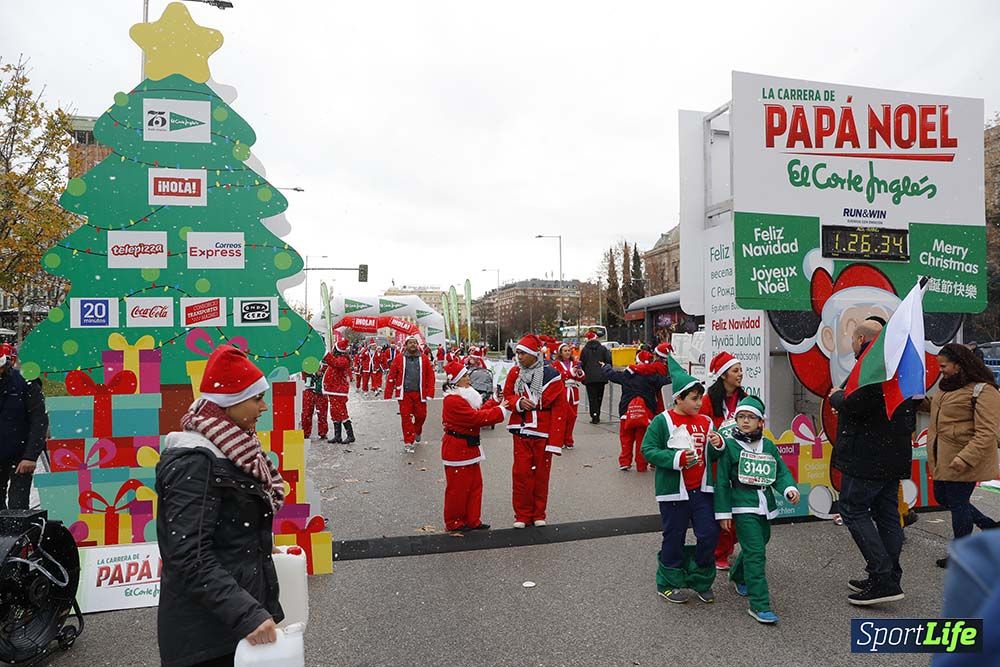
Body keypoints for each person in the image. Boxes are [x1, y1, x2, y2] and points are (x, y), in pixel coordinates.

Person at [156, 344, 285, 666]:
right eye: (257, 398)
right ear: (232, 402)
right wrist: (247, 614)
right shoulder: (196, 462)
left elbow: (223, 533)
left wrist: (258, 546)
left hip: (226, 622)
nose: (264, 407)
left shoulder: (233, 447)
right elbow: (188, 555)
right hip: (205, 635)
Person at [828, 320, 912, 606]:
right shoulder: (897, 360)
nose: (852, 344)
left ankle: (883, 575)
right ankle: (888, 577)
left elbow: (858, 405)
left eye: (853, 339)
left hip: (867, 455)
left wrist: (838, 398)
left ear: (862, 338)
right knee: (886, 512)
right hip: (892, 453)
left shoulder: (874, 365)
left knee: (853, 510)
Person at [640, 357, 722, 604]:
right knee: (673, 536)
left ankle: (700, 579)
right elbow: (648, 449)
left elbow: (713, 455)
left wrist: (718, 446)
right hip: (674, 492)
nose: (699, 403)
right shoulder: (662, 421)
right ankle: (667, 581)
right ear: (678, 398)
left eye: (700, 398)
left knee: (709, 534)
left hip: (702, 491)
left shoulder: (706, 421)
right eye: (694, 399)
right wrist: (676, 458)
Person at [714, 396, 800, 624]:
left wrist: (789, 488)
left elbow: (780, 472)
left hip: (765, 504)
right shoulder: (730, 446)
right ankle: (759, 604)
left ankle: (738, 574)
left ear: (761, 422)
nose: (744, 421)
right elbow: (722, 481)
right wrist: (723, 513)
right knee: (756, 553)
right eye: (741, 417)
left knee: (761, 542)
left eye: (750, 417)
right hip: (742, 506)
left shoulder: (768, 445)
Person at [926, 342, 1000, 568]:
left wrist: (965, 457)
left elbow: (988, 431)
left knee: (958, 504)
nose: (940, 370)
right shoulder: (947, 386)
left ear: (959, 365)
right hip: (943, 457)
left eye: (944, 366)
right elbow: (944, 413)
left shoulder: (983, 390)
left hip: (963, 458)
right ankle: (989, 526)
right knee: (943, 497)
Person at [503, 334, 565, 528]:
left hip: (543, 433)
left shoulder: (552, 375)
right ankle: (521, 515)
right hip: (521, 431)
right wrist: (519, 402)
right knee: (521, 474)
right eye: (517, 353)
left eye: (522, 353)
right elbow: (507, 396)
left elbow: (560, 409)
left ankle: (538, 513)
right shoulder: (515, 373)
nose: (518, 357)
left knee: (541, 475)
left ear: (533, 354)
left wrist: (555, 441)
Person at [440, 361, 509, 532]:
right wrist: (500, 410)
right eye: (464, 376)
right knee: (458, 489)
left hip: (468, 447)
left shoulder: (463, 398)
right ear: (455, 381)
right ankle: (454, 521)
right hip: (457, 449)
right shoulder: (453, 401)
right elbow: (476, 419)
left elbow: (477, 413)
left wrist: (494, 401)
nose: (468, 378)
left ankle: (472, 519)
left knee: (474, 486)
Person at [700, 351, 748, 570]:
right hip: (718, 463)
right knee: (722, 510)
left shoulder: (745, 399)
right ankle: (720, 552)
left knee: (740, 510)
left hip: (740, 462)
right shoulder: (708, 400)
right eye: (735, 370)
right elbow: (701, 428)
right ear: (723, 375)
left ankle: (730, 548)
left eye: (740, 370)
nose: (740, 374)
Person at [603, 350, 670, 472]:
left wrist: (606, 366)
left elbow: (611, 375)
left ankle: (625, 461)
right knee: (642, 440)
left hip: (626, 412)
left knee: (626, 438)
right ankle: (641, 464)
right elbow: (666, 381)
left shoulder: (627, 375)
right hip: (645, 413)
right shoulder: (651, 376)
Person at [0, 343, 47, 510]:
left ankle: (17, 532)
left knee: (17, 508)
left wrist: (30, 456)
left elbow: (39, 420)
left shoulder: (25, 383)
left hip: (20, 455)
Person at [385, 335, 436, 453]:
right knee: (406, 418)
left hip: (420, 393)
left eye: (414, 342)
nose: (412, 345)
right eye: (410, 343)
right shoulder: (399, 358)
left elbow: (430, 376)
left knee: (421, 415)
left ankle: (417, 431)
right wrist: (388, 392)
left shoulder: (423, 359)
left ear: (417, 345)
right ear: (406, 345)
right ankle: (408, 441)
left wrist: (430, 392)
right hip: (405, 394)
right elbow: (392, 375)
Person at [322, 338, 355, 445]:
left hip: (338, 391)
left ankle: (350, 435)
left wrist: (325, 353)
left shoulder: (342, 360)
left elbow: (334, 363)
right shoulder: (340, 358)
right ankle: (338, 436)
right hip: (334, 390)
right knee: (335, 412)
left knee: (341, 413)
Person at [552, 343, 585, 449]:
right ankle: (560, 440)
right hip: (563, 392)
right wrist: (571, 372)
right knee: (562, 417)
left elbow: (581, 378)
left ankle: (568, 440)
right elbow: (558, 377)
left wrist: (579, 372)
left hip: (573, 393)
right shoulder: (556, 364)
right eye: (565, 351)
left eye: (568, 350)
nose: (567, 352)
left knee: (572, 417)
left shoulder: (574, 363)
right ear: (560, 353)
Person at [579, 331, 611, 423]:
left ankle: (594, 415)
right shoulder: (603, 348)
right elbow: (608, 360)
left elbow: (582, 363)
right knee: (599, 396)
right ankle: (597, 413)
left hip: (589, 377)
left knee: (592, 398)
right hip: (601, 376)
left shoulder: (585, 349)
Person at [300, 364, 328, 441]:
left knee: (322, 413)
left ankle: (323, 432)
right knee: (307, 412)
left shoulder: (325, 359)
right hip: (309, 390)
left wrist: (321, 371)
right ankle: (305, 432)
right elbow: (302, 369)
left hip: (321, 391)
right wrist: (313, 371)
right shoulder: (305, 360)